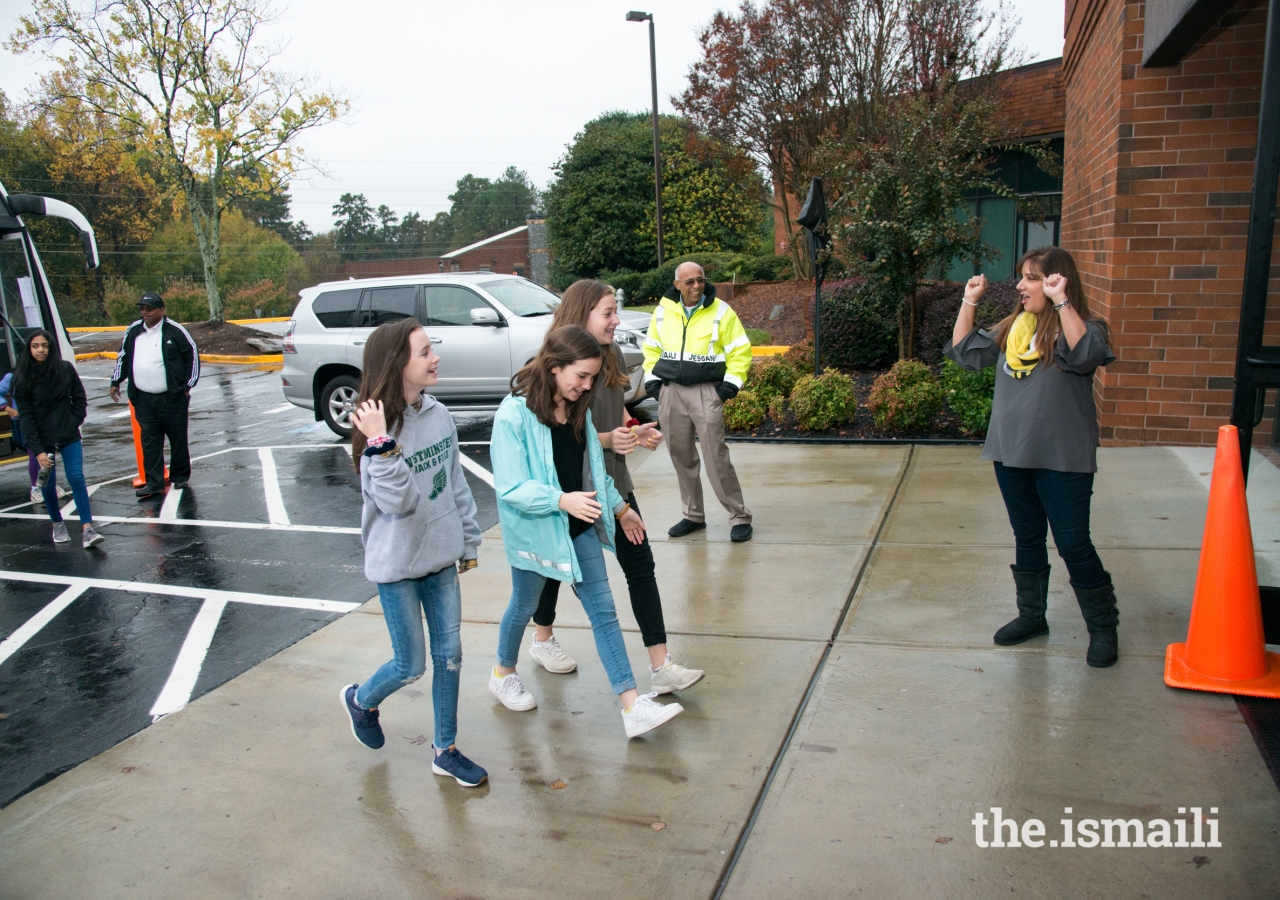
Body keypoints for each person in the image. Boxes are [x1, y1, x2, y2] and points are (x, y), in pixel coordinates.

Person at [489, 325, 684, 738]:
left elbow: (594, 466)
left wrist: (620, 508)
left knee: (603, 612)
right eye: (581, 376)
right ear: (555, 367)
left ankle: (631, 707)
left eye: (592, 377)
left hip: (578, 526)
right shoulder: (513, 414)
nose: (587, 385)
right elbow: (509, 487)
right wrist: (561, 500)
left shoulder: (579, 407)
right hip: (537, 533)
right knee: (523, 606)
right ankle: (503, 671)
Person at [943, 247, 1119, 667]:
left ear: (1057, 281)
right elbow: (966, 351)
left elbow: (1086, 356)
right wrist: (970, 299)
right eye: (1022, 276)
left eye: (1032, 278)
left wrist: (1062, 303)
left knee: (1074, 544)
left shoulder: (1085, 327)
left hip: (1062, 458)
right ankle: (1032, 617)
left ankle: (1103, 629)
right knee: (1027, 539)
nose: (1021, 285)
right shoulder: (1013, 327)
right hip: (1011, 453)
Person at [529, 279, 705, 695]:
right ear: (582, 313)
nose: (616, 320)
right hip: (574, 488)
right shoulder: (561, 367)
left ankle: (661, 666)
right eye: (608, 313)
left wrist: (632, 428)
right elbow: (569, 434)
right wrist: (609, 439)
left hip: (614, 480)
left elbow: (616, 409)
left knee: (640, 565)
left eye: (615, 312)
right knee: (554, 568)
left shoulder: (608, 357)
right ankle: (541, 640)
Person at [339, 317, 488, 787]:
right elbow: (399, 503)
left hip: (441, 557)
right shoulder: (374, 432)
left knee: (450, 657)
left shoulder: (439, 415)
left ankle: (445, 750)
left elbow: (454, 483)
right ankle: (362, 701)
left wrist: (468, 537)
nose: (434, 357)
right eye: (424, 352)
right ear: (397, 363)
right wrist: (382, 443)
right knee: (411, 665)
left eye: (431, 349)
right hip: (397, 565)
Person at [642, 260, 754, 542]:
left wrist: (727, 389)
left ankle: (739, 516)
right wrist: (653, 384)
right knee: (681, 455)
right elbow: (651, 349)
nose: (696, 286)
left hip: (706, 392)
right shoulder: (663, 312)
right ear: (677, 285)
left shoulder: (721, 311)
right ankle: (693, 515)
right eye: (689, 282)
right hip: (670, 391)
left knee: (716, 456)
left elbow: (740, 351)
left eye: (700, 280)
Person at [12, 330, 104, 548]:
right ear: (29, 348)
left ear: (51, 347)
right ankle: (57, 524)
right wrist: (39, 451)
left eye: (45, 345)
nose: (41, 350)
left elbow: (79, 399)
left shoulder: (64, 369)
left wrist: (72, 422)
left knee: (76, 477)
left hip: (68, 435)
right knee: (47, 483)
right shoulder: (22, 377)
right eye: (35, 346)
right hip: (41, 441)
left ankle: (87, 529)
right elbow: (26, 417)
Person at [109, 292, 199, 498]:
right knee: (149, 441)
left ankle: (180, 477)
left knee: (177, 438)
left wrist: (186, 387)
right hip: (143, 399)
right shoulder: (134, 330)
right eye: (142, 309)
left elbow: (191, 355)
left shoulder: (175, 331)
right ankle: (154, 482)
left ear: (162, 310)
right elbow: (123, 356)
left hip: (172, 398)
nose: (145, 312)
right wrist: (116, 381)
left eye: (149, 309)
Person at [0, 369, 66, 506]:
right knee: (34, 454)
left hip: (44, 421)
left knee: (48, 453)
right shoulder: (13, 376)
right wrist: (8, 409)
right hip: (24, 421)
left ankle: (49, 484)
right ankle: (35, 488)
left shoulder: (45, 372)